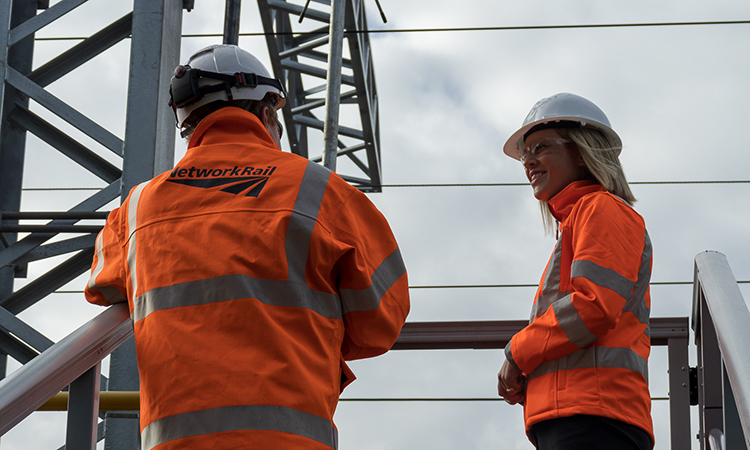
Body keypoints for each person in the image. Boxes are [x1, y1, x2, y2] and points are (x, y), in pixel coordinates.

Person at [85, 44, 410, 450]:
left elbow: (103, 287)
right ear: (268, 111)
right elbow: (382, 321)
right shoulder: (320, 190)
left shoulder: (136, 208)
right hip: (291, 441)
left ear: (188, 124)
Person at [496, 93, 653, 450]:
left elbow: (593, 306)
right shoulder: (581, 219)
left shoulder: (602, 210)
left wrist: (517, 354)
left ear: (582, 152)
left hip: (595, 419)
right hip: (582, 416)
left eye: (540, 148)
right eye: (525, 153)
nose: (528, 161)